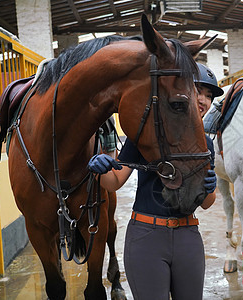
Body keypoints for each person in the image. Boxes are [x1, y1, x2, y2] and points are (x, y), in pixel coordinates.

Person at [87, 63, 224, 300]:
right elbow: (115, 181)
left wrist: (211, 188)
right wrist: (98, 169)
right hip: (146, 236)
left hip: (187, 236)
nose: (203, 100)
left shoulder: (206, 144)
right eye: (198, 91)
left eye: (209, 96)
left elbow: (207, 203)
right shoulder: (145, 132)